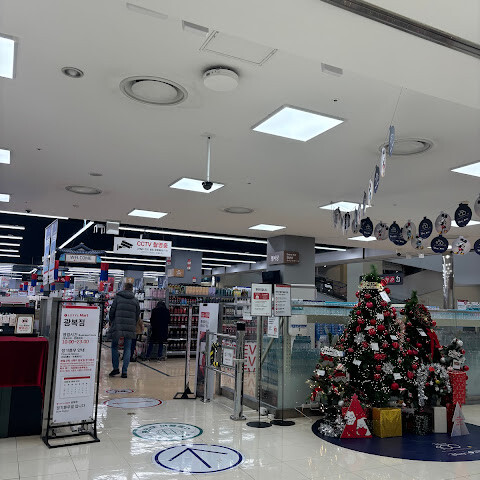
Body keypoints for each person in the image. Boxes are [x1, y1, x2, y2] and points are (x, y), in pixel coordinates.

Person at [108, 283, 140, 378]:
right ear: (132, 289)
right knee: (127, 348)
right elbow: (137, 314)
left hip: (117, 325)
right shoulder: (135, 300)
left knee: (114, 346)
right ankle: (124, 371)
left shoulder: (117, 298)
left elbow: (112, 311)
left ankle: (115, 368)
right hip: (130, 327)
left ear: (124, 288)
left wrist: (112, 321)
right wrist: (132, 323)